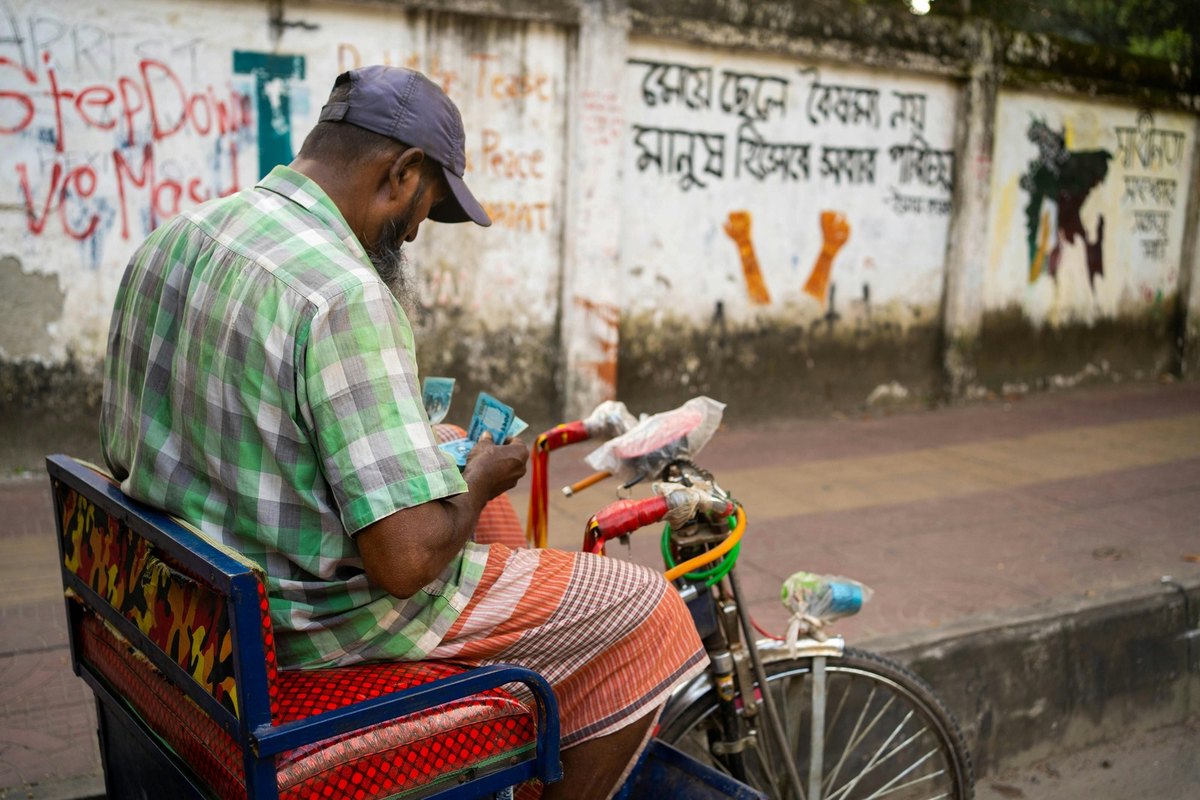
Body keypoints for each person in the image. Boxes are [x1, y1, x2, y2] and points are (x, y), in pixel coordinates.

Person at [99, 65, 706, 800]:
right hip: (305, 627)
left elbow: (128, 446)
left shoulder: (178, 235)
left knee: (453, 444)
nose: (415, 232)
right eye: (425, 206)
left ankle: (507, 722)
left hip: (191, 589)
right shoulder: (343, 292)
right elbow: (406, 562)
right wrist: (477, 480)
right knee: (650, 611)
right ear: (402, 172)